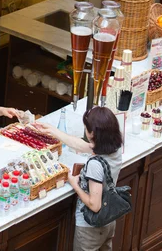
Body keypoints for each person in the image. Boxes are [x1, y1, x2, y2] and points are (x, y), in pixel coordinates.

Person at [34, 107, 123, 251]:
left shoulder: (95, 164)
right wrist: (54, 131)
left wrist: (75, 184)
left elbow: (94, 204)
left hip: (90, 229)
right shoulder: (115, 149)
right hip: (109, 221)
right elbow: (85, 146)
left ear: (92, 133)